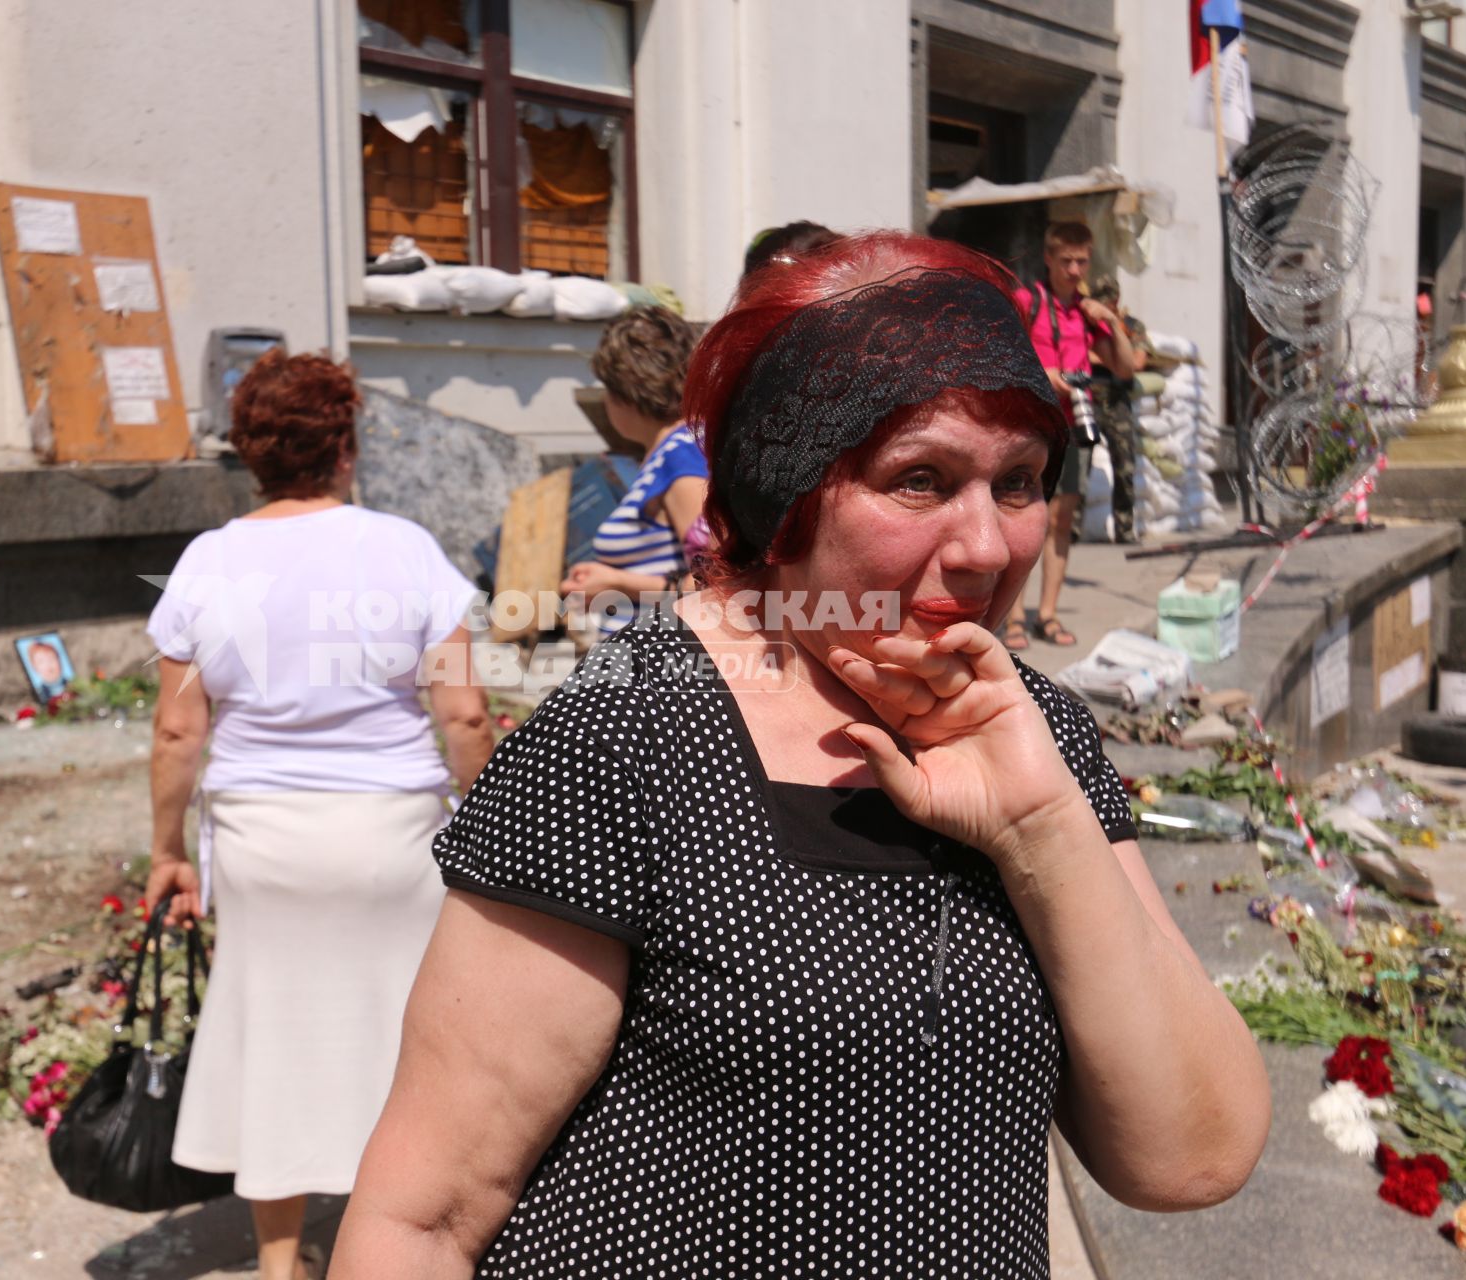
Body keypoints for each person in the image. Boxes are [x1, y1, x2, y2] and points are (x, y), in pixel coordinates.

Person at [332, 231, 1268, 1278]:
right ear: (784, 497)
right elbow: (421, 1217)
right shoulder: (622, 737)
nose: (990, 544)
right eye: (921, 479)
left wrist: (1040, 826)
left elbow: (1194, 1155)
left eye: (1019, 481)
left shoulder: (1031, 725)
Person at [143, 350, 495, 1280]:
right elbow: (462, 713)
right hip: (391, 836)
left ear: (250, 457)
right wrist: (491, 819)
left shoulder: (208, 562)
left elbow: (179, 735)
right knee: (412, 1039)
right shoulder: (404, 549)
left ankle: (276, 1262)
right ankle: (398, 1245)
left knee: (278, 1037)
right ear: (345, 446)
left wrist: (165, 851)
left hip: (263, 839)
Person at [1002, 220, 1136, 651]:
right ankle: (1015, 617)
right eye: (1067, 261)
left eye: (1082, 261)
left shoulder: (1088, 313)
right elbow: (1002, 353)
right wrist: (1045, 375)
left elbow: (1126, 369)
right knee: (1024, 521)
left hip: (1074, 426)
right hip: (1030, 425)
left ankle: (1048, 614)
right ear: (1049, 258)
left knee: (1062, 522)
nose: (1075, 270)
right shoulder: (1028, 302)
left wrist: (1112, 322)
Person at [558, 306, 707, 630]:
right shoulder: (668, 454)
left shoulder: (683, 456)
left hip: (666, 668)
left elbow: (713, 584)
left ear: (625, 392)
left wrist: (617, 583)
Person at [1089, 276, 1151, 546]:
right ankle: (1070, 531)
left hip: (1117, 402)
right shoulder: (1084, 325)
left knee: (1125, 467)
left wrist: (1104, 360)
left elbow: (1137, 362)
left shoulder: (1131, 326)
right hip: (1089, 398)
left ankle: (1125, 529)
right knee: (1078, 469)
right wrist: (1116, 361)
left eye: (1109, 301)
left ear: (1115, 300)